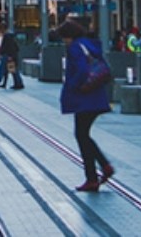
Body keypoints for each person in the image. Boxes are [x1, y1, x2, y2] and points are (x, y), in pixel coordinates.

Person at [59, 19, 114, 191]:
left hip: (85, 98)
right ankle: (102, 167)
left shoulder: (75, 47)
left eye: (63, 38)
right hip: (95, 96)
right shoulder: (88, 44)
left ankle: (93, 176)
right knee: (83, 135)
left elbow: (82, 70)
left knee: (82, 135)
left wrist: (73, 86)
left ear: (69, 36)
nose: (63, 41)